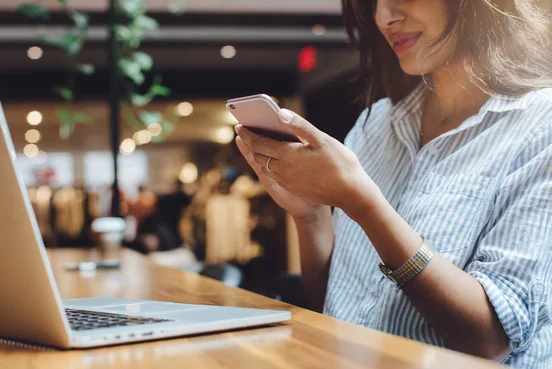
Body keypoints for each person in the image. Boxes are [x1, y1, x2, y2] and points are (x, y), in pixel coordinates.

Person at [234, 0, 552, 367]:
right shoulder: (375, 124)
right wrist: (310, 215)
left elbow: (490, 339)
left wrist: (366, 207)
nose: (384, 18)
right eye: (372, 3)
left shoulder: (539, 127)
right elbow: (336, 306)